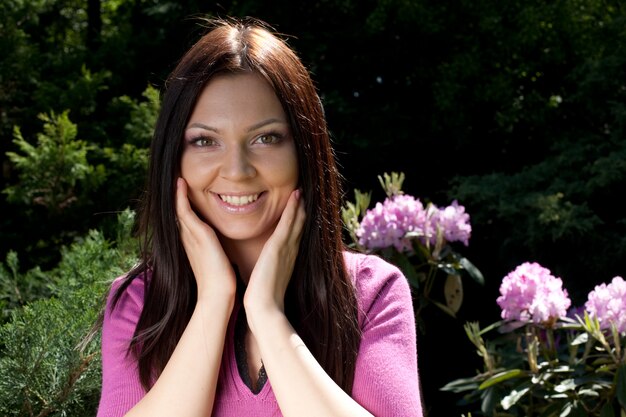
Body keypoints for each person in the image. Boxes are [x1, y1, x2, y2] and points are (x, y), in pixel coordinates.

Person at [96, 16, 424, 417]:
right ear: (173, 159)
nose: (237, 169)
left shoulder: (371, 294)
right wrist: (215, 300)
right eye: (204, 141)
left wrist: (267, 315)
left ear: (304, 152)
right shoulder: (138, 303)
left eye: (265, 138)